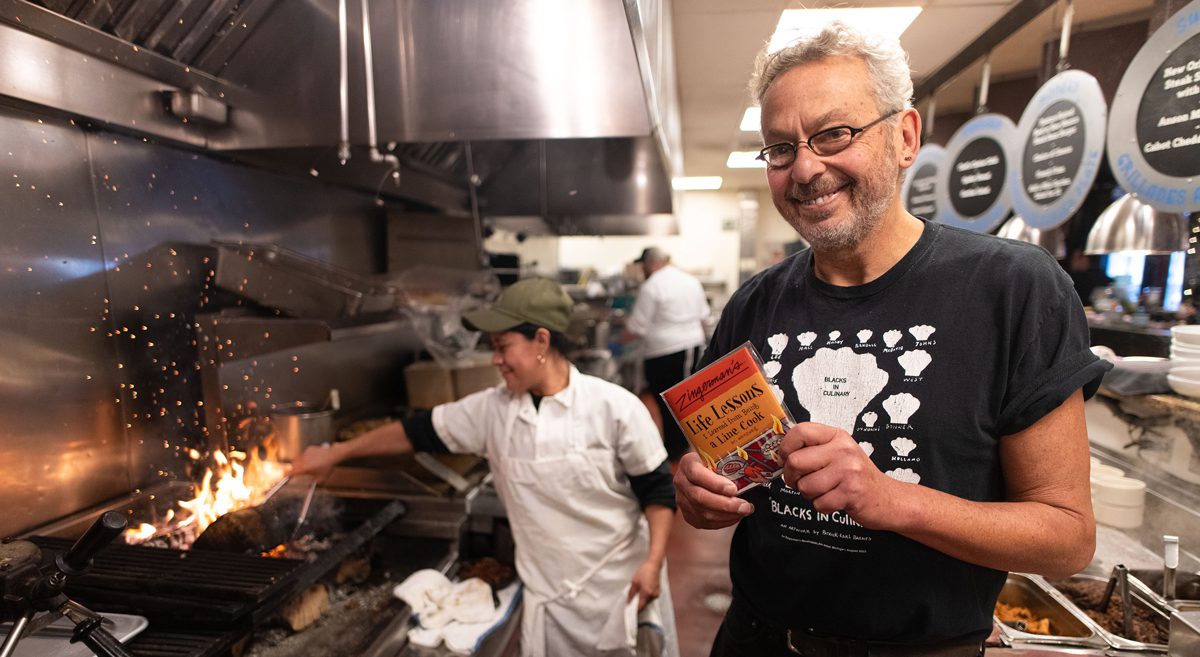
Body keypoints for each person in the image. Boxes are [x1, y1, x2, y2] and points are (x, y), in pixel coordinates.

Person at [673, 22, 1112, 657]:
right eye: (779, 148)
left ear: (904, 137)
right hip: (756, 637)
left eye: (834, 134)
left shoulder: (1013, 288)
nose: (805, 168)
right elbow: (725, 468)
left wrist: (889, 499)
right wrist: (699, 491)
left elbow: (1067, 538)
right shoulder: (755, 304)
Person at [292, 278, 679, 657]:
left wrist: (653, 562)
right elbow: (416, 431)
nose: (495, 359)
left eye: (502, 346)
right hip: (552, 606)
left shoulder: (614, 408)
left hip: (621, 590)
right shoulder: (493, 410)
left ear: (541, 341)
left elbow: (658, 490)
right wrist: (335, 454)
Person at [621, 246, 711, 460]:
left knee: (671, 402)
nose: (643, 269)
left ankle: (677, 453)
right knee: (685, 400)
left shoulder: (651, 286)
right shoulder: (690, 280)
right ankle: (686, 449)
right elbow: (703, 318)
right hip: (691, 346)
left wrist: (616, 342)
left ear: (651, 263)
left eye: (643, 265)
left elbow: (637, 327)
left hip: (664, 352)